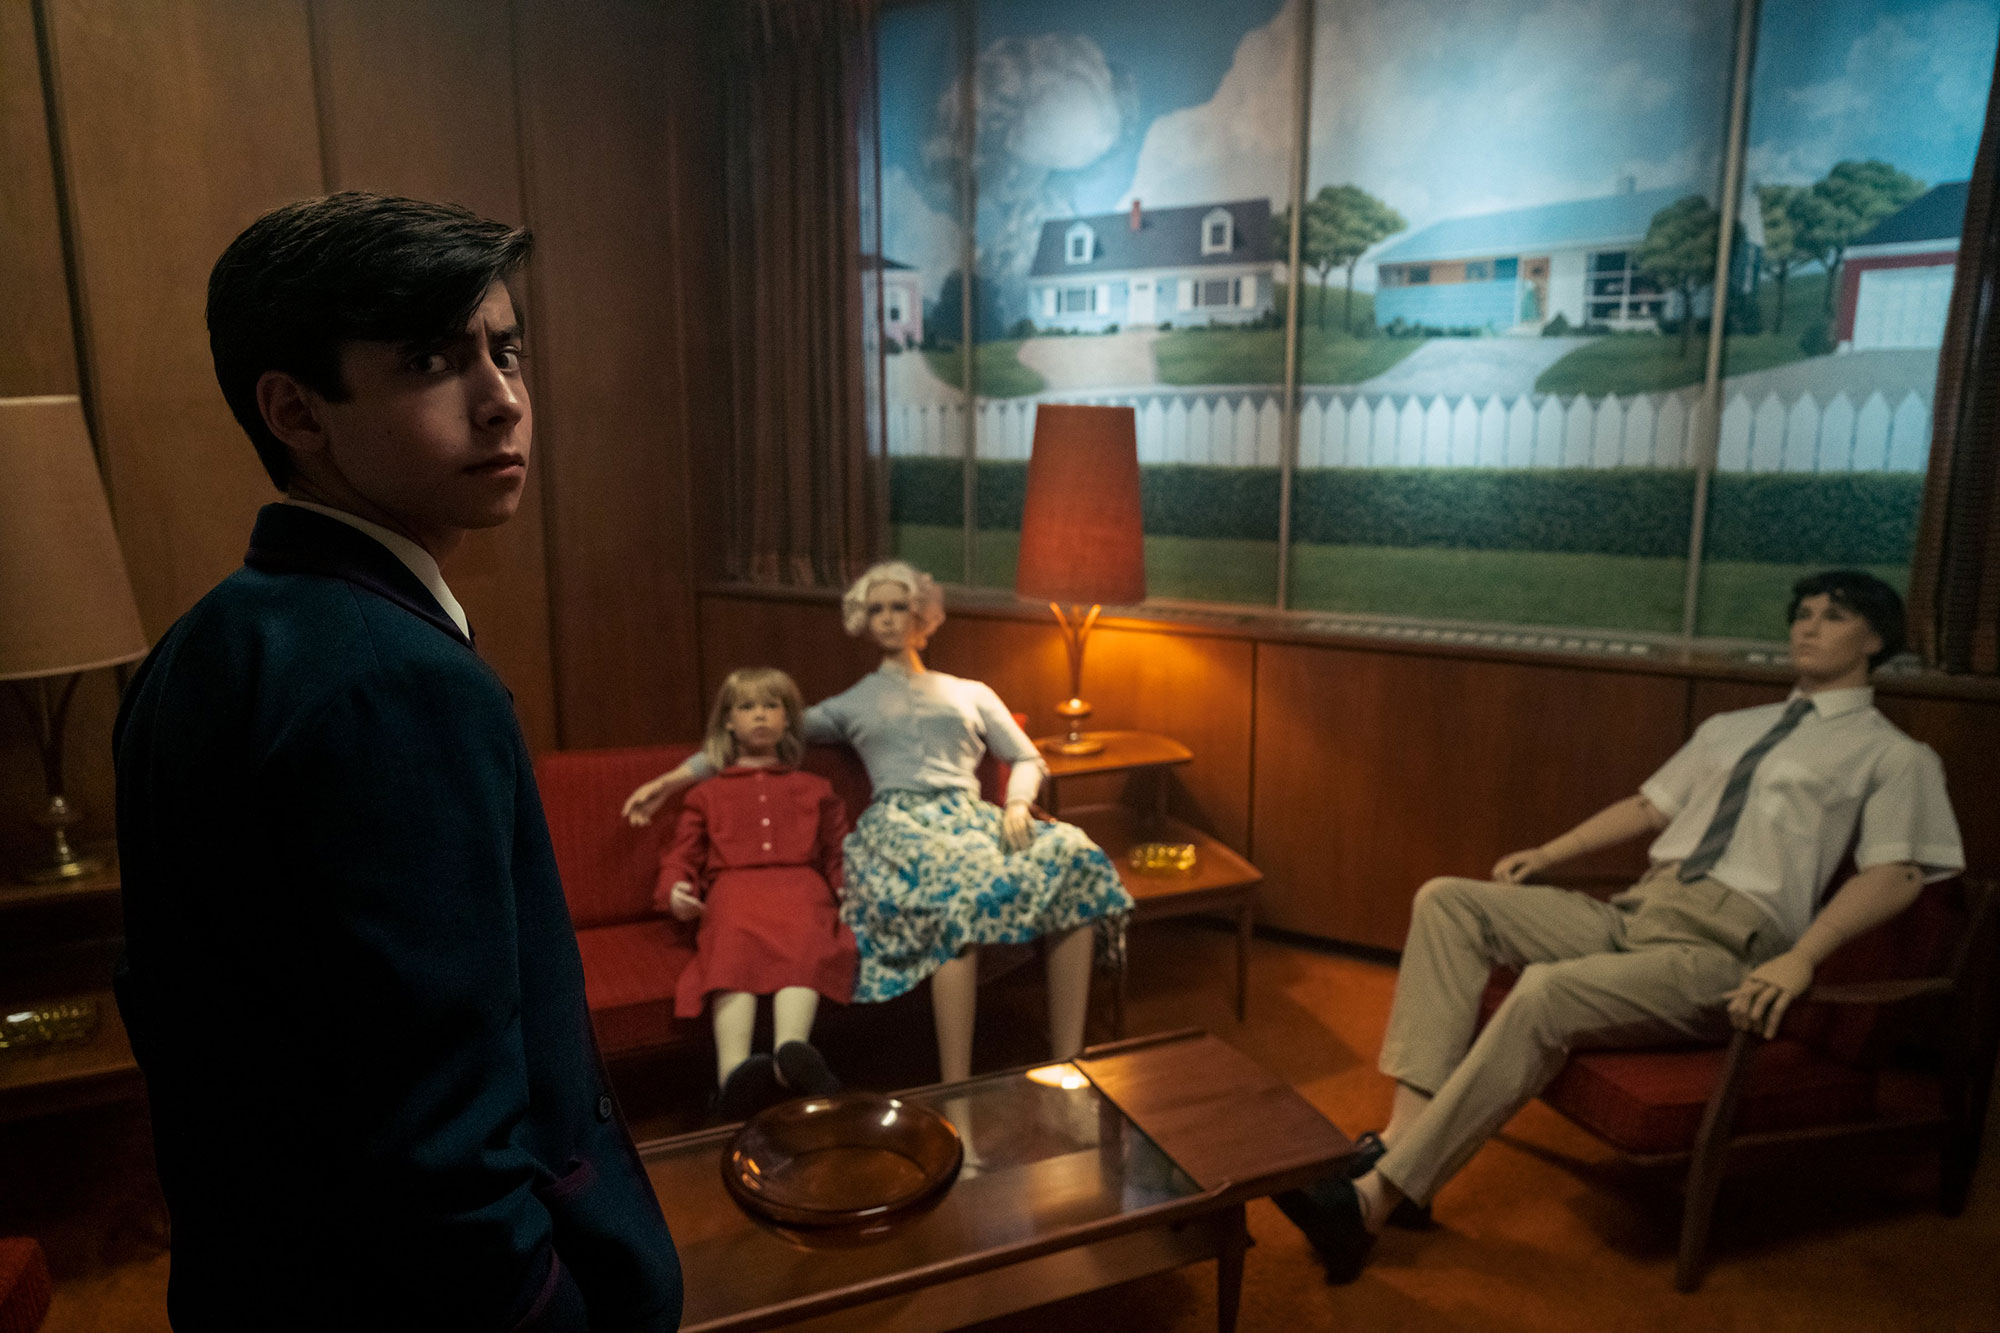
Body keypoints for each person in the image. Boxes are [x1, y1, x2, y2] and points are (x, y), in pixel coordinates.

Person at [114, 193, 681, 1330]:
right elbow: (444, 1145)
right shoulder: (394, 681)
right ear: (295, 411)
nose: (501, 398)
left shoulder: (205, 641)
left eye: (505, 349)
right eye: (430, 361)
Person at [1277, 569, 1964, 1283]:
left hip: (1723, 946)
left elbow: (1897, 874)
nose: (1809, 627)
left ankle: (1376, 1198)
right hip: (1637, 909)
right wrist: (1550, 853)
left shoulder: (1893, 755)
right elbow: (1648, 807)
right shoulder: (1731, 728)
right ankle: (1402, 1141)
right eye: (1803, 614)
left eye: (1834, 616)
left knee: (1544, 991)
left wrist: (1804, 957)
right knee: (1449, 900)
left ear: (1876, 640)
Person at [626, 561, 1132, 1083]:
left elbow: (1026, 757)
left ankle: (1070, 1061)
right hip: (902, 826)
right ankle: (957, 1086)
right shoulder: (853, 703)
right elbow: (762, 738)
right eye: (876, 610)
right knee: (955, 895)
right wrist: (672, 780)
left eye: (899, 607)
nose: (889, 618)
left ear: (923, 614)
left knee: (1075, 858)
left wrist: (1019, 803)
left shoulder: (971, 691)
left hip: (973, 818)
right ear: (863, 622)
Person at [655, 668, 855, 1118]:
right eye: (747, 707)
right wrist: (675, 891)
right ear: (728, 722)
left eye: (771, 706)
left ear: (788, 720)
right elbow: (681, 855)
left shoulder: (815, 788)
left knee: (806, 937)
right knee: (731, 944)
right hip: (734, 890)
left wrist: (847, 889)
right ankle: (732, 1079)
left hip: (801, 888)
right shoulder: (706, 794)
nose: (760, 715)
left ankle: (791, 1058)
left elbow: (838, 851)